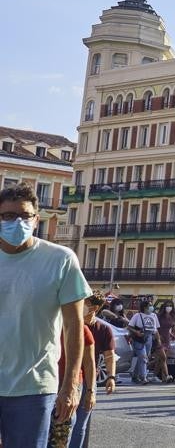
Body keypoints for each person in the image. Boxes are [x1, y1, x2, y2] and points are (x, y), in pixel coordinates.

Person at [0, 183, 91, 447]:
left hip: (34, 387)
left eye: (24, 216)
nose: (17, 222)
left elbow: (74, 326)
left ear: (36, 219)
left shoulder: (61, 259)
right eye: (8, 216)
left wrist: (70, 385)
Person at [70, 295, 116, 448]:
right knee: (64, 422)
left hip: (87, 380)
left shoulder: (103, 329)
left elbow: (109, 356)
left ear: (94, 308)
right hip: (68, 377)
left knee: (79, 425)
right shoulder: (71, 323)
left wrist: (111, 377)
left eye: (85, 303)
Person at [127, 299, 159, 384]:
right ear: (144, 307)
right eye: (149, 306)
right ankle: (143, 377)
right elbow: (129, 327)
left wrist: (158, 340)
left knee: (143, 358)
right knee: (143, 357)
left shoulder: (154, 316)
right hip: (139, 339)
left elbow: (155, 330)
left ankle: (135, 375)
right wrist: (136, 332)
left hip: (149, 338)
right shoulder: (137, 315)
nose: (151, 307)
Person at [155, 300, 175, 383]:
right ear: (164, 306)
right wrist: (158, 336)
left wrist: (174, 337)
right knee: (163, 358)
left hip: (168, 340)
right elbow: (155, 328)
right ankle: (167, 376)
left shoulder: (172, 316)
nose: (169, 307)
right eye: (167, 305)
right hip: (159, 339)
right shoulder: (159, 316)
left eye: (170, 305)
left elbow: (170, 330)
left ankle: (157, 376)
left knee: (161, 360)